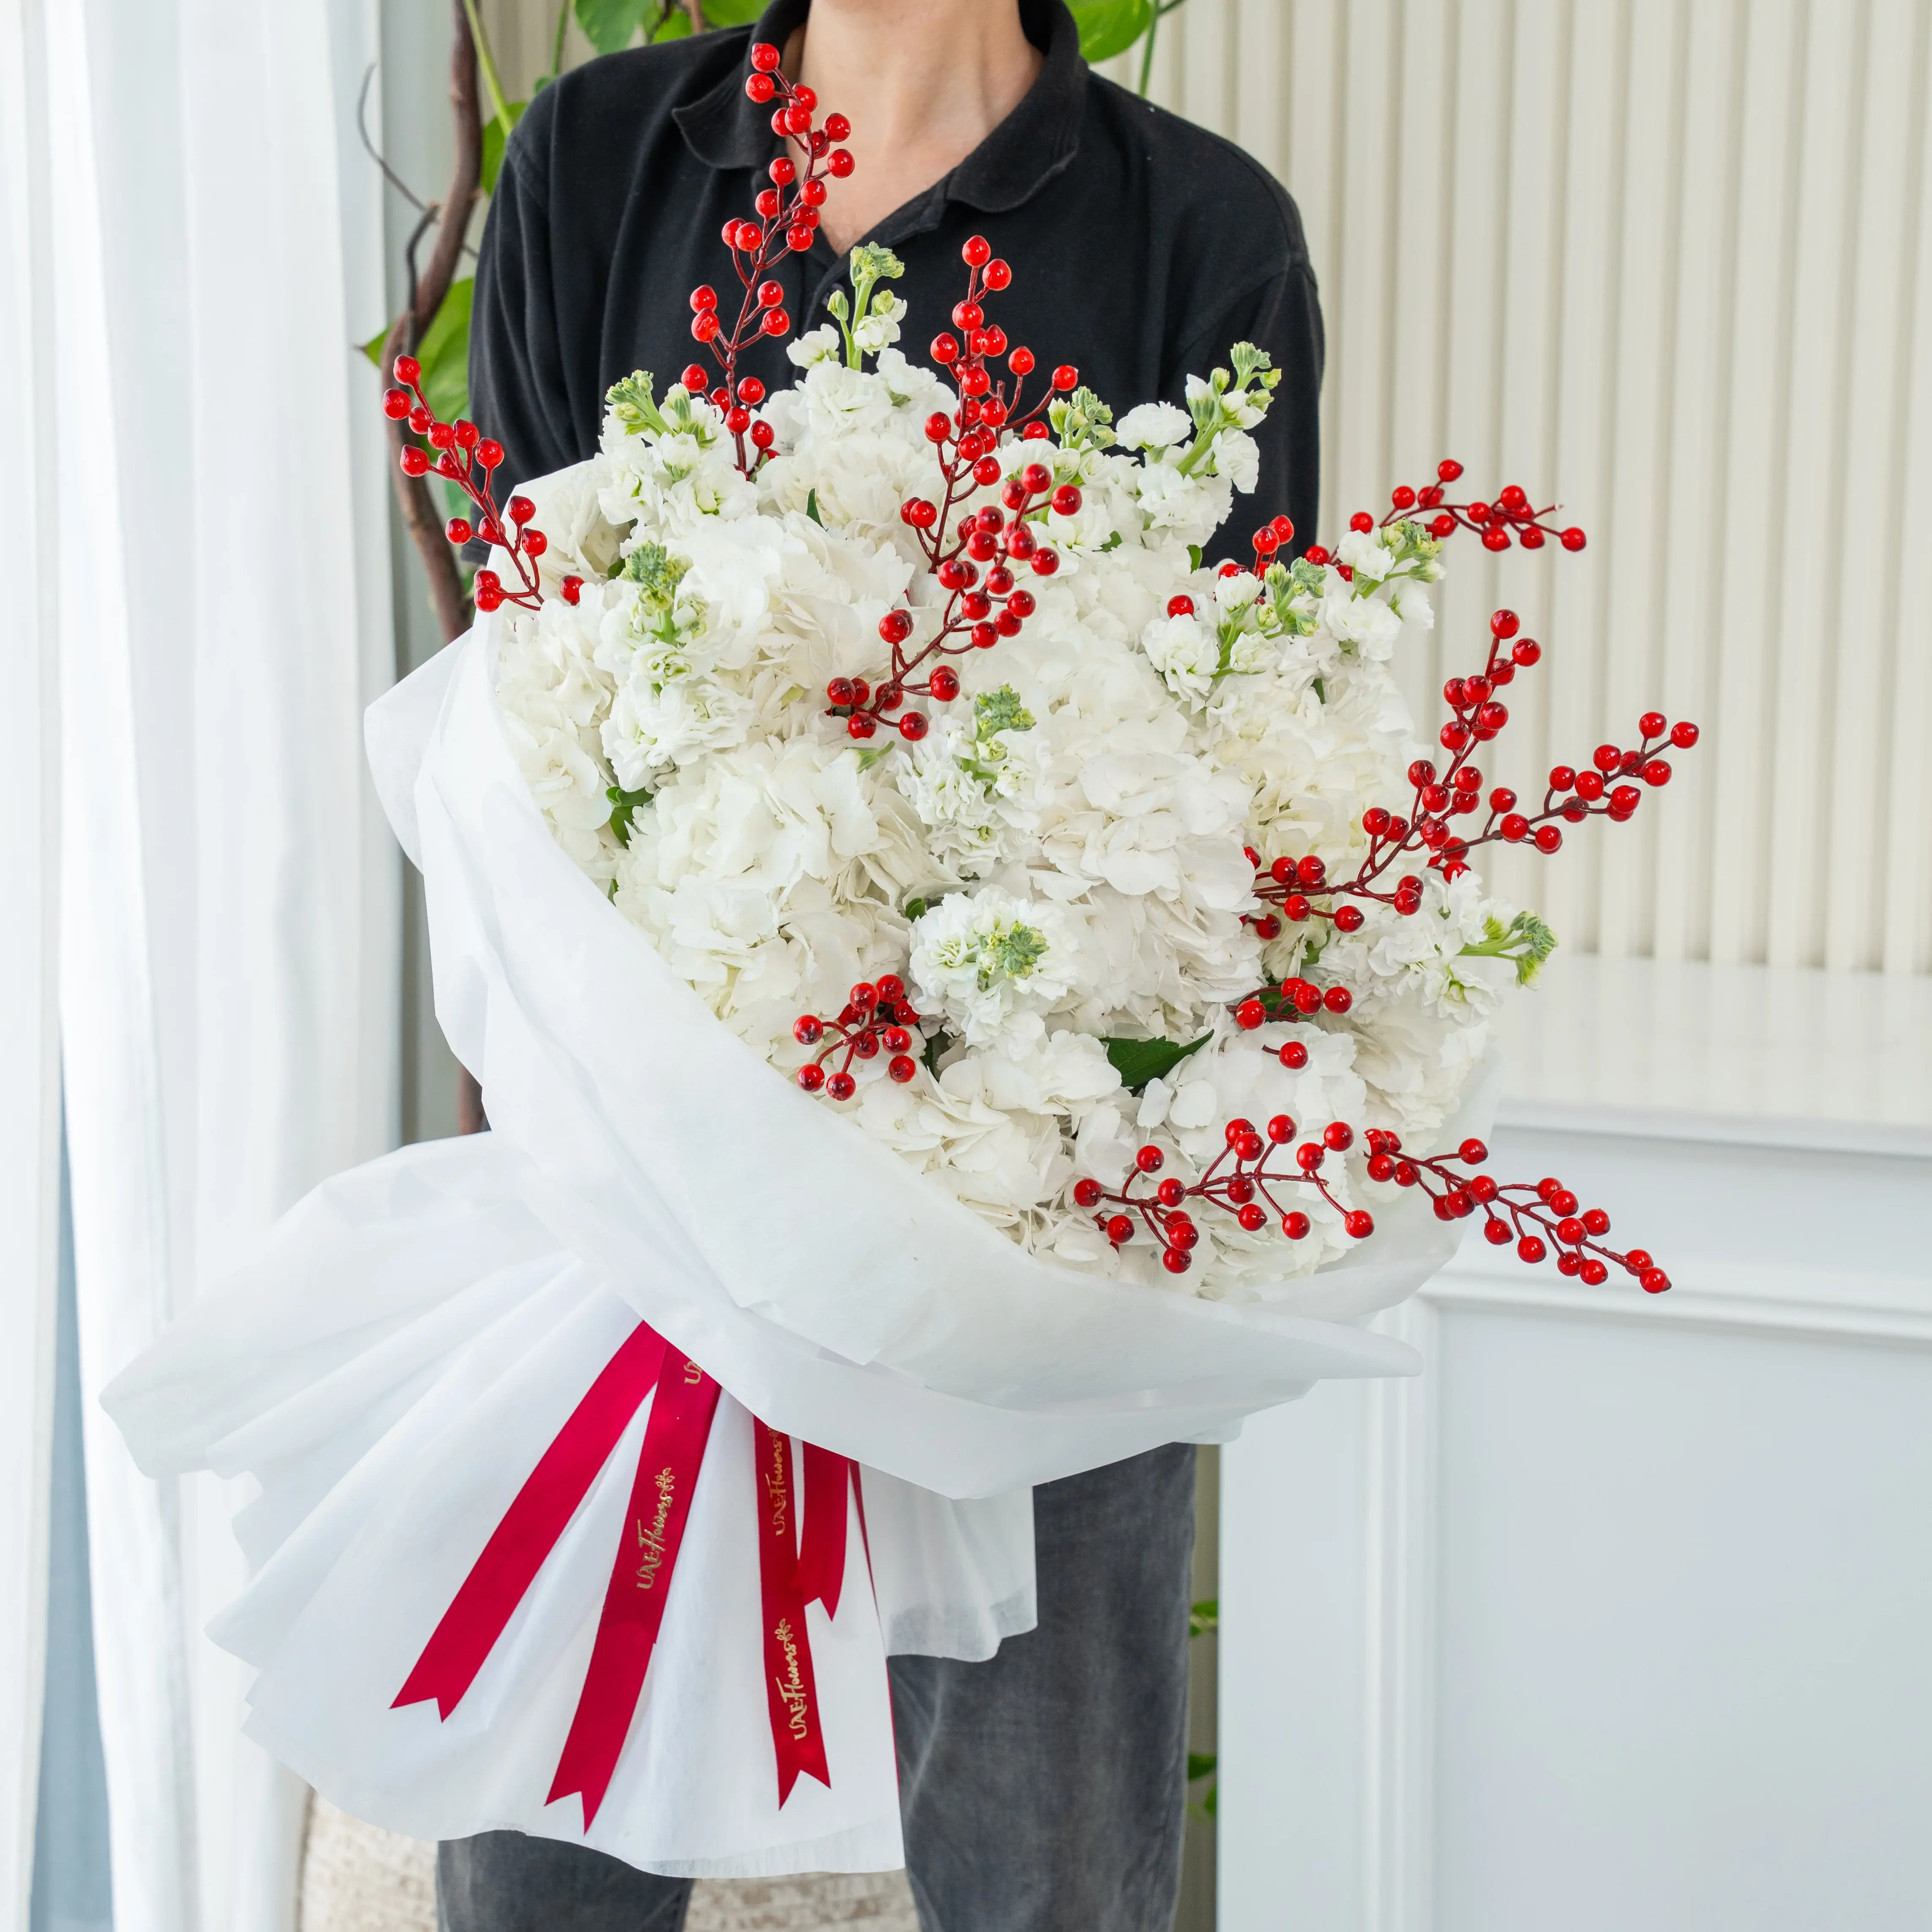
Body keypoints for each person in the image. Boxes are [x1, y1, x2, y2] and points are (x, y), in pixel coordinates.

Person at [444, 3, 1322, 1927]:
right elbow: (520, 702)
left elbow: (1236, 761)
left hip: (1035, 1216)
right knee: (541, 1858)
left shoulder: (1202, 235)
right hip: (643, 1182)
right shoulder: (594, 165)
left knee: (1047, 1863)